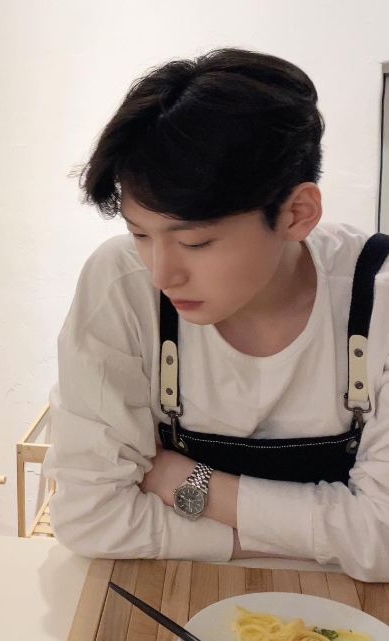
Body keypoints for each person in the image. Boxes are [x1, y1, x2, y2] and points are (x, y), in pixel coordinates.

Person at [42, 47, 389, 582]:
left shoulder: (378, 299)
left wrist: (181, 480)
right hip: (171, 593)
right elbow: (90, 519)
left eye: (196, 243)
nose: (162, 274)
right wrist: (332, 539)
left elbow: (384, 540)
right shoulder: (121, 285)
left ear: (297, 214)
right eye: (139, 234)